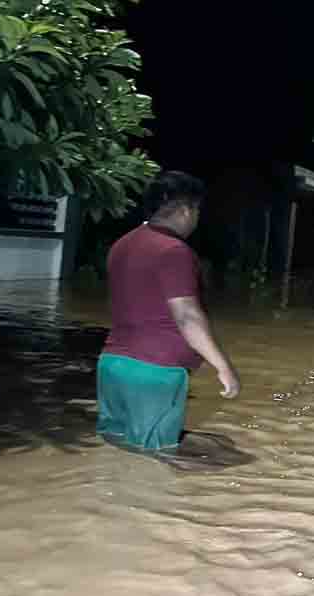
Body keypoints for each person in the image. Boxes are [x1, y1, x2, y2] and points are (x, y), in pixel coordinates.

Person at [97, 170, 240, 454]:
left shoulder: (122, 244)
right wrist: (223, 367)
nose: (197, 218)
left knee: (117, 447)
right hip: (155, 372)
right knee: (156, 457)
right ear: (186, 210)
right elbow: (187, 316)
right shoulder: (174, 251)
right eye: (197, 211)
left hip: (112, 365)